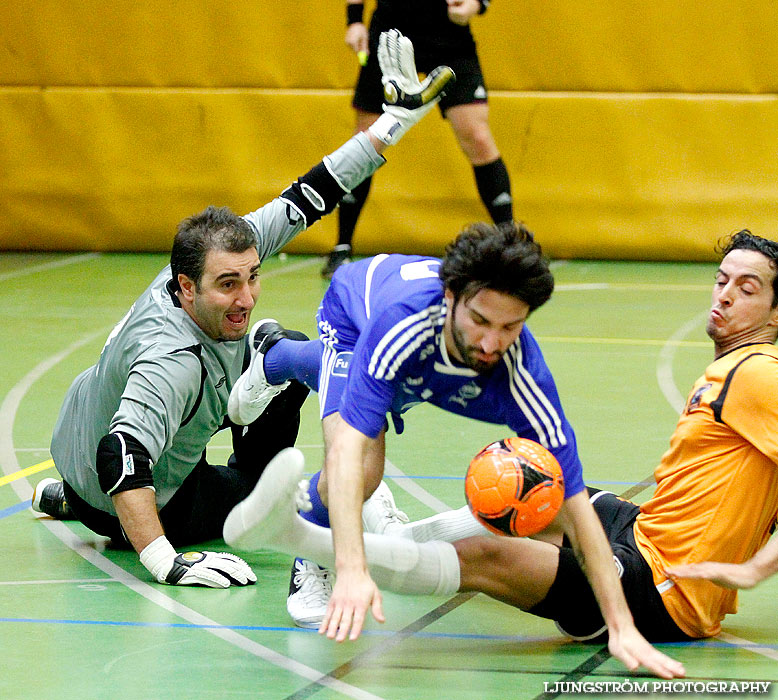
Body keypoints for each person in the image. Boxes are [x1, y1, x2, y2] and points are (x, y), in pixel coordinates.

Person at [30, 29, 454, 589]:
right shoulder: (171, 361)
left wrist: (391, 123)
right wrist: (166, 562)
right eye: (228, 286)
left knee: (271, 349)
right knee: (286, 359)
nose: (247, 296)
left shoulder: (202, 256)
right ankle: (141, 510)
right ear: (186, 287)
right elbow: (122, 454)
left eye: (252, 277)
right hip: (137, 492)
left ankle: (74, 499)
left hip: (77, 457)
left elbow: (310, 194)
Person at [226, 221, 684, 678]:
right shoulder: (400, 328)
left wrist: (621, 625)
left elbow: (577, 509)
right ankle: (313, 549)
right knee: (363, 472)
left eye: (510, 327)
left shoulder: (523, 375)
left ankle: (275, 351)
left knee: (397, 395)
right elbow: (346, 449)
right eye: (480, 321)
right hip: (353, 318)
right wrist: (350, 566)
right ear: (450, 299)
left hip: (420, 362)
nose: (490, 343)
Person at [321, 0, 513, 278]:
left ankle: (513, 246)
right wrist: (354, 20)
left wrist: (476, 3)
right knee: (367, 140)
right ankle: (342, 247)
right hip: (391, 34)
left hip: (449, 38)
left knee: (478, 137)